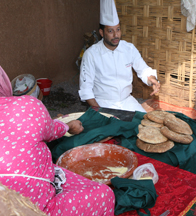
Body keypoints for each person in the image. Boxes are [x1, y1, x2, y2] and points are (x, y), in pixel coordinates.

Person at [0, 66, 115, 216]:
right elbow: (51, 131)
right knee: (105, 194)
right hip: (36, 208)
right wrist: (68, 125)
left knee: (62, 172)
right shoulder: (27, 105)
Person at [79, 0, 160, 112]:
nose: (115, 35)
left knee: (144, 124)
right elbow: (86, 89)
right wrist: (99, 111)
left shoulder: (129, 49)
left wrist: (153, 80)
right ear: (101, 32)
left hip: (127, 101)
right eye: (110, 31)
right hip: (103, 103)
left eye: (118, 29)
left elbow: (143, 71)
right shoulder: (91, 54)